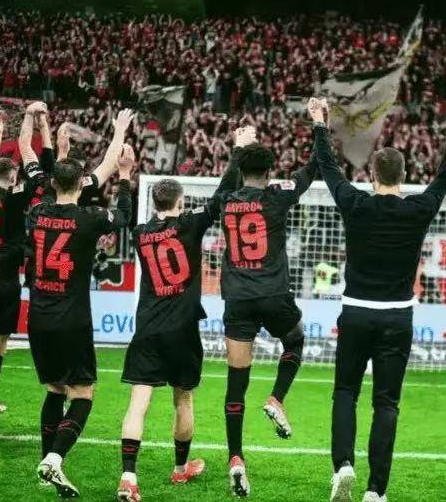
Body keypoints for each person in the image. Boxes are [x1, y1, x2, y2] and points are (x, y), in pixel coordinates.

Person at [311, 98, 446, 502]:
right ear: (404, 175)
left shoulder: (356, 203)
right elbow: (445, 176)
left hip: (356, 311)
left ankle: (343, 464)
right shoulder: (418, 209)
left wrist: (320, 124)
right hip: (397, 316)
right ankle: (376, 491)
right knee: (386, 403)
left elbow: (328, 167)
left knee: (346, 391)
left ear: (372, 174)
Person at [115, 127, 246, 502]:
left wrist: (124, 175)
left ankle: (128, 477)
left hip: (148, 327)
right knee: (183, 399)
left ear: (153, 201)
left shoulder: (141, 234)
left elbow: (124, 214)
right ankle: (179, 468)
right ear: (181, 200)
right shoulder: (190, 224)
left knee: (138, 403)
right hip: (183, 329)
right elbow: (222, 195)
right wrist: (237, 152)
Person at [30, 109, 134, 498]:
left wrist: (57, 149)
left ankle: (48, 463)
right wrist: (124, 172)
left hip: (38, 316)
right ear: (81, 185)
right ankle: (55, 459)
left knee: (55, 389)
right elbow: (122, 216)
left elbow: (59, 179)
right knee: (82, 394)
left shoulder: (37, 211)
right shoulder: (89, 218)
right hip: (71, 318)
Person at [218, 121, 318, 498]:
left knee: (236, 383)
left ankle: (236, 458)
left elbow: (225, 185)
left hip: (238, 299)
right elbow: (311, 170)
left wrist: (238, 148)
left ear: (241, 169)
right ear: (270, 171)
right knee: (295, 340)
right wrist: (320, 127)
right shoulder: (278, 196)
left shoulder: (226, 200)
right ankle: (276, 398)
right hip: (274, 294)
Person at [0, 103, 52, 429]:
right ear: (13, 178)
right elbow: (41, 169)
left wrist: (0, 132)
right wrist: (29, 120)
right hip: (4, 279)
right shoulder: (15, 199)